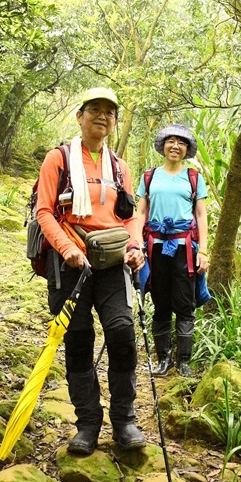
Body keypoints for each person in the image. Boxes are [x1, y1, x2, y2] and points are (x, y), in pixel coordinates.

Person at [35, 87, 146, 455]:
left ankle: (124, 420)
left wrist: (134, 247)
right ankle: (88, 423)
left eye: (109, 112)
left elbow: (128, 217)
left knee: (122, 333)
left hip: (111, 263)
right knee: (79, 339)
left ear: (114, 122)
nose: (102, 116)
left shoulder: (120, 167)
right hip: (69, 263)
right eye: (94, 110)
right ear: (80, 116)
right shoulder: (59, 159)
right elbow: (44, 212)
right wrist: (66, 248)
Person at [134, 124, 209, 377]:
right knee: (161, 301)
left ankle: (183, 361)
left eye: (181, 142)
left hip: (183, 247)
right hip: (155, 247)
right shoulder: (149, 176)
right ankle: (163, 359)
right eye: (171, 141)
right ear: (163, 146)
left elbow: (201, 215)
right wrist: (137, 244)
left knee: (185, 303)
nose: (175, 146)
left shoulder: (194, 177)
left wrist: (204, 252)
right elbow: (141, 212)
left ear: (187, 149)